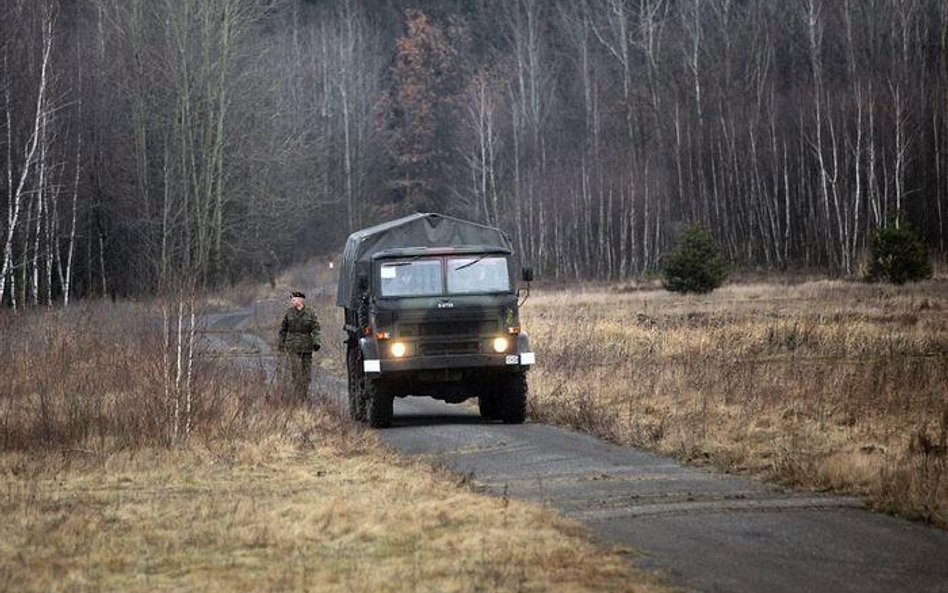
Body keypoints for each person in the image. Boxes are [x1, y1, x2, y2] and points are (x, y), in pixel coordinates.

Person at [278, 291, 321, 402]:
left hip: (306, 347)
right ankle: (297, 396)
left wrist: (317, 342)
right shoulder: (289, 313)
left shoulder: (310, 313)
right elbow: (283, 330)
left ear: (301, 300)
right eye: (291, 300)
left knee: (306, 373)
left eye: (294, 299)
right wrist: (281, 345)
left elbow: (316, 328)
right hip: (292, 347)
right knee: (297, 371)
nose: (292, 301)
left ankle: (304, 395)